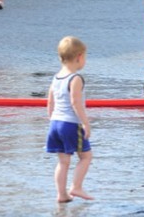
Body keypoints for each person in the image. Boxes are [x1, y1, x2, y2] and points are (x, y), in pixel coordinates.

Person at [46, 36, 94, 203]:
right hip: (70, 124)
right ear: (79, 57)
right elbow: (75, 102)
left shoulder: (56, 77)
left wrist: (52, 119)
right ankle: (76, 186)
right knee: (86, 156)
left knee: (63, 161)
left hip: (55, 123)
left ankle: (61, 194)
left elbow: (50, 101)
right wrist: (85, 123)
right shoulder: (75, 79)